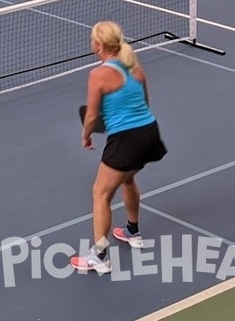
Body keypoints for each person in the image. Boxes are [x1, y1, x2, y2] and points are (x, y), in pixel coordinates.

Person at [70, 21, 167, 274]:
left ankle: (99, 256)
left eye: (92, 39)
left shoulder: (99, 74)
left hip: (127, 139)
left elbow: (91, 116)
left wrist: (86, 136)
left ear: (99, 45)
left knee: (101, 194)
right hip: (149, 133)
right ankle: (132, 232)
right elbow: (144, 102)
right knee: (127, 179)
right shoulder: (135, 67)